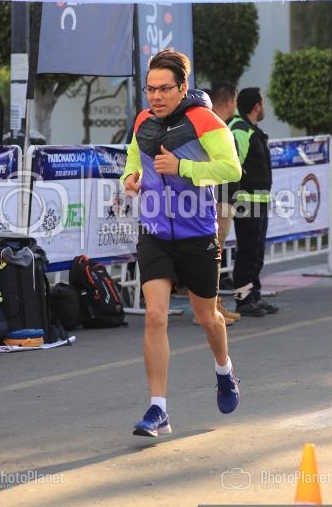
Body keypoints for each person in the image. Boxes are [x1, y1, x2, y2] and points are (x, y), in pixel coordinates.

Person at [121, 49, 242, 437]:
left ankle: (224, 370)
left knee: (207, 317)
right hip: (154, 232)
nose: (155, 96)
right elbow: (133, 159)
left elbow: (231, 168)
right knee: (155, 316)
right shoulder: (143, 120)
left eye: (164, 89)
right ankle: (158, 408)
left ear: (182, 87)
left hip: (197, 234)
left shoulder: (205, 121)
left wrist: (182, 167)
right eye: (150, 89)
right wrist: (130, 178)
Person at [229, 87, 279, 317]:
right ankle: (243, 300)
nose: (264, 106)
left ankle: (254, 296)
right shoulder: (240, 130)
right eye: (263, 102)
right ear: (257, 106)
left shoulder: (251, 129)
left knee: (256, 253)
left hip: (258, 200)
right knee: (247, 252)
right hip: (246, 201)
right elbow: (234, 165)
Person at [208, 81, 241, 324]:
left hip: (223, 198)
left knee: (216, 255)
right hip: (217, 199)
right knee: (212, 255)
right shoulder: (213, 127)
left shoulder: (219, 126)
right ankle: (209, 309)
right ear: (229, 101)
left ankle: (215, 304)